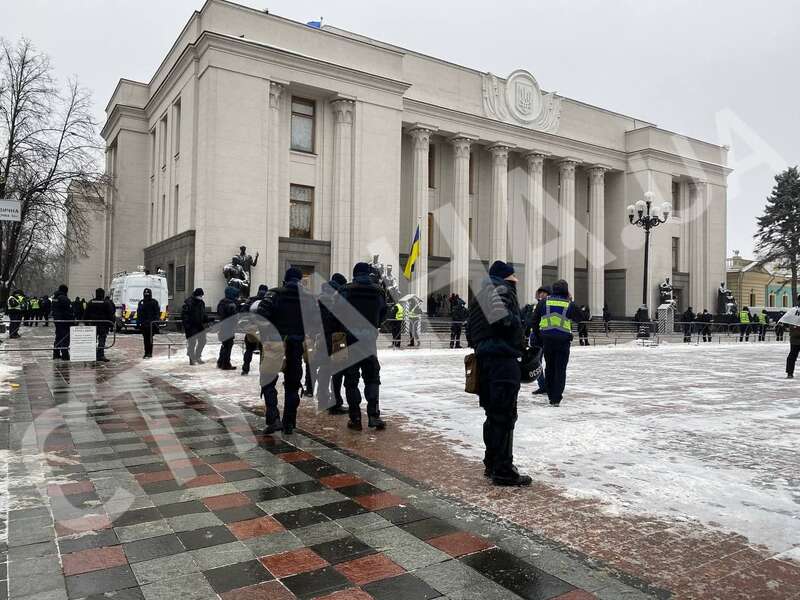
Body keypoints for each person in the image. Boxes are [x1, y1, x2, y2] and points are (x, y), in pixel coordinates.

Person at [467, 260, 530, 486]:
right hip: (502, 361)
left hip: (485, 360)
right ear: (506, 278)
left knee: (493, 415)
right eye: (514, 279)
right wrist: (517, 324)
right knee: (505, 416)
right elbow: (502, 318)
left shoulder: (478, 296)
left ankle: (491, 462)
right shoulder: (500, 289)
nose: (516, 283)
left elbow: (469, 331)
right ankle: (503, 470)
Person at [338, 262, 388, 431]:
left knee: (351, 381)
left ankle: (355, 418)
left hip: (350, 340)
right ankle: (374, 416)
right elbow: (384, 312)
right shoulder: (378, 291)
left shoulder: (345, 290)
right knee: (372, 378)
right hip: (369, 341)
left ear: (354, 274)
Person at [256, 267, 306, 434]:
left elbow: (260, 317)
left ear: (285, 280)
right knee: (293, 384)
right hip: (296, 346)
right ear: (300, 281)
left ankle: (273, 418)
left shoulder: (274, 294)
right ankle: (289, 422)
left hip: (274, 343)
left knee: (268, 381)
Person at [531, 279, 579, 407]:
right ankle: (556, 397)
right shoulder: (569, 304)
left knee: (550, 367)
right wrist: (571, 300)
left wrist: (539, 336)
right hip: (563, 341)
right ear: (566, 291)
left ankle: (551, 394)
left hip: (547, 340)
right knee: (560, 369)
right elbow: (581, 317)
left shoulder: (544, 303)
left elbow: (534, 321)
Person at [318, 273, 348, 414]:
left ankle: (322, 399)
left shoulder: (319, 297)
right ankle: (335, 402)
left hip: (321, 337)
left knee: (324, 369)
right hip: (337, 337)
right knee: (337, 369)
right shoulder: (338, 298)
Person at [82, 288, 115, 362]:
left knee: (92, 340)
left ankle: (92, 354)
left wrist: (86, 323)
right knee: (102, 340)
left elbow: (86, 314)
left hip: (93, 325)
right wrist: (111, 325)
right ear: (103, 294)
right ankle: (100, 355)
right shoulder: (106, 303)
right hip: (103, 325)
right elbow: (111, 314)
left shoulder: (91, 302)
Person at [240, 285, 267, 374]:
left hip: (252, 327)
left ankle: (245, 369)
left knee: (249, 348)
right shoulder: (268, 301)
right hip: (264, 328)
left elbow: (243, 312)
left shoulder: (251, 300)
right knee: (263, 350)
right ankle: (262, 370)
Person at [529, 286, 550, 396]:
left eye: (544, 293)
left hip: (542, 335)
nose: (541, 294)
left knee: (540, 362)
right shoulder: (536, 305)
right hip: (535, 336)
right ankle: (543, 385)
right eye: (540, 292)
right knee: (537, 362)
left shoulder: (546, 305)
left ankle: (545, 385)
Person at [181, 288, 209, 365]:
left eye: (202, 295)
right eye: (200, 295)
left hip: (200, 325)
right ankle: (192, 358)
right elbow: (184, 315)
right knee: (192, 343)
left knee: (203, 341)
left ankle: (197, 356)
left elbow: (203, 313)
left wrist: (207, 320)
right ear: (196, 295)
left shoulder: (201, 303)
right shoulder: (189, 303)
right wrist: (187, 326)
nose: (201, 297)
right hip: (191, 326)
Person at [216, 286, 239, 370]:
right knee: (228, 345)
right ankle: (226, 364)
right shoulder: (231, 304)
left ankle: (220, 362)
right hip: (229, 327)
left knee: (224, 345)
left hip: (223, 326)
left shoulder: (222, 303)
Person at [136, 288, 160, 359]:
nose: (146, 295)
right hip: (144, 324)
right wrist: (138, 323)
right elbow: (139, 313)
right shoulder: (141, 302)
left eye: (147, 294)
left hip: (151, 324)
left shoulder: (154, 302)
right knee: (145, 339)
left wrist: (156, 322)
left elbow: (157, 313)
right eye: (145, 294)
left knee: (149, 339)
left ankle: (149, 353)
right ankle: (146, 352)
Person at [51, 284, 74, 359]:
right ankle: (65, 355)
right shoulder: (64, 298)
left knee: (58, 337)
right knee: (65, 338)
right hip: (65, 321)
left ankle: (56, 353)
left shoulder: (55, 298)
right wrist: (72, 321)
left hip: (57, 320)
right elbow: (69, 311)